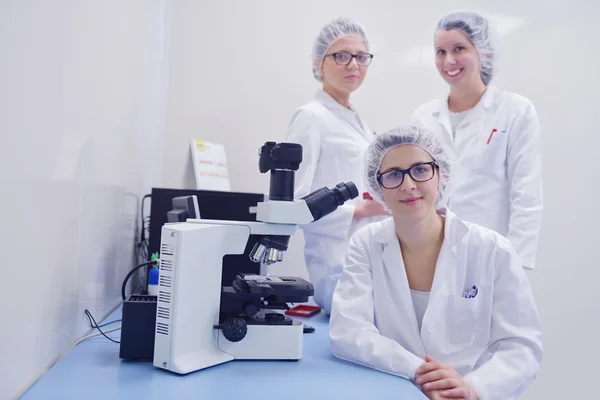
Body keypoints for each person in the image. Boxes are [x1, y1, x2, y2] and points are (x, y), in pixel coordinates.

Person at [329, 125, 542, 400]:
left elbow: (522, 346)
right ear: (377, 185)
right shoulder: (366, 244)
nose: (408, 185)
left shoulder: (492, 249)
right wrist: (418, 370)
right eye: (393, 175)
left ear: (440, 174)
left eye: (420, 169)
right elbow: (348, 330)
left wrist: (472, 388)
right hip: (395, 390)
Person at [411, 12, 543, 270]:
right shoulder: (423, 117)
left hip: (493, 254)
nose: (448, 60)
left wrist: (515, 264)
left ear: (482, 51)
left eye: (459, 49)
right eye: (440, 52)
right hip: (433, 253)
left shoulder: (515, 110)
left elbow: (526, 194)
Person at [285, 17, 388, 314]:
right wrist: (357, 210)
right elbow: (292, 202)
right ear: (319, 63)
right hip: (335, 260)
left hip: (366, 251)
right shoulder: (310, 117)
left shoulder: (355, 119)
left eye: (361, 56)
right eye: (341, 56)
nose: (353, 64)